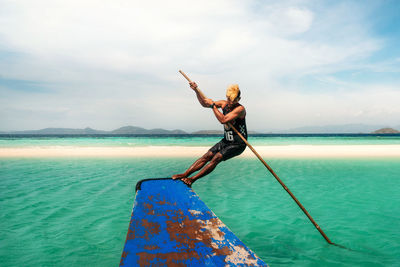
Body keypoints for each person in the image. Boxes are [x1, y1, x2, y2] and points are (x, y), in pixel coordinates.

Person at [172, 81, 248, 186]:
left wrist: (213, 106)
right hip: (226, 141)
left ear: (238, 99)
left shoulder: (240, 109)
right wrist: (196, 90)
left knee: (216, 158)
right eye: (228, 99)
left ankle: (192, 179)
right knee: (207, 156)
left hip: (238, 144)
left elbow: (223, 119)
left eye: (233, 100)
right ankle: (185, 174)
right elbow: (204, 103)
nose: (230, 103)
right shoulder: (223, 103)